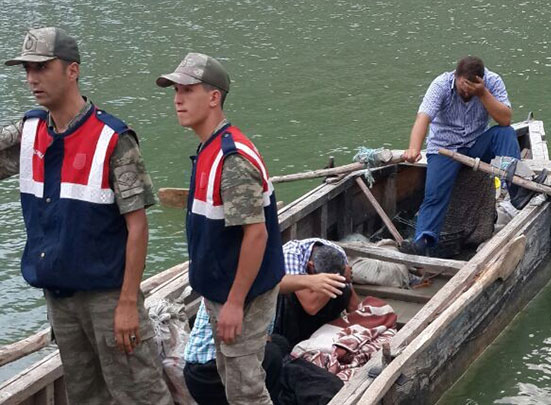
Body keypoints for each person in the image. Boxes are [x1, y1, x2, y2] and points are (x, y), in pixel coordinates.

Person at [0, 27, 172, 403]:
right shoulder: (29, 132)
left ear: (72, 71)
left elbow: (137, 226)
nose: (32, 79)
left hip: (108, 298)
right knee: (84, 396)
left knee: (140, 394)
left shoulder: (112, 138)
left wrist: (128, 301)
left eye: (42, 67)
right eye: (27, 69)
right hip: (60, 298)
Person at [156, 52, 285, 405]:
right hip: (222, 289)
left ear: (214, 97)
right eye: (175, 91)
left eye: (187, 90)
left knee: (245, 388)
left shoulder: (232, 159)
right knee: (230, 374)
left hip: (241, 294)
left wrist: (235, 303)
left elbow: (255, 235)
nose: (178, 99)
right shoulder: (209, 148)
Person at [400, 56, 542, 256]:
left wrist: (483, 93)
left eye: (472, 88)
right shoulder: (440, 85)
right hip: (444, 149)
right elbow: (423, 118)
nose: (467, 92)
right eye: (464, 87)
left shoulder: (492, 82)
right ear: (456, 77)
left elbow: (505, 119)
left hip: (476, 144)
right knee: (435, 196)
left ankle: (519, 191)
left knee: (505, 133)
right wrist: (413, 148)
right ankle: (423, 240)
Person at [183, 240, 352, 404]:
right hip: (208, 374)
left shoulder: (263, 277)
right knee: (274, 356)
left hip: (230, 360)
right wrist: (310, 281)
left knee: (280, 344)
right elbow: (268, 284)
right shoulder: (238, 278)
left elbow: (274, 284)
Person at [274, 238, 361, 346]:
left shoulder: (338, 253)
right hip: (292, 309)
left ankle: (326, 332)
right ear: (310, 266)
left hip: (318, 303)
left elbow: (353, 302)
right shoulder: (290, 256)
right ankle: (293, 343)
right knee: (288, 296)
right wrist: (334, 281)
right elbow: (310, 307)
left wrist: (361, 325)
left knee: (343, 287)